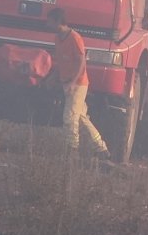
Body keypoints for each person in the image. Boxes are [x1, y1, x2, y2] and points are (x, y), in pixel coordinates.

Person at [47, 8, 111, 158]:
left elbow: (82, 62)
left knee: (70, 118)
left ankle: (71, 152)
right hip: (66, 83)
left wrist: (73, 83)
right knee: (81, 117)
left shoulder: (75, 38)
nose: (47, 24)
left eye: (49, 21)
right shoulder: (58, 38)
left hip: (78, 84)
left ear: (58, 21)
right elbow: (61, 61)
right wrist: (54, 77)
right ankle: (101, 148)